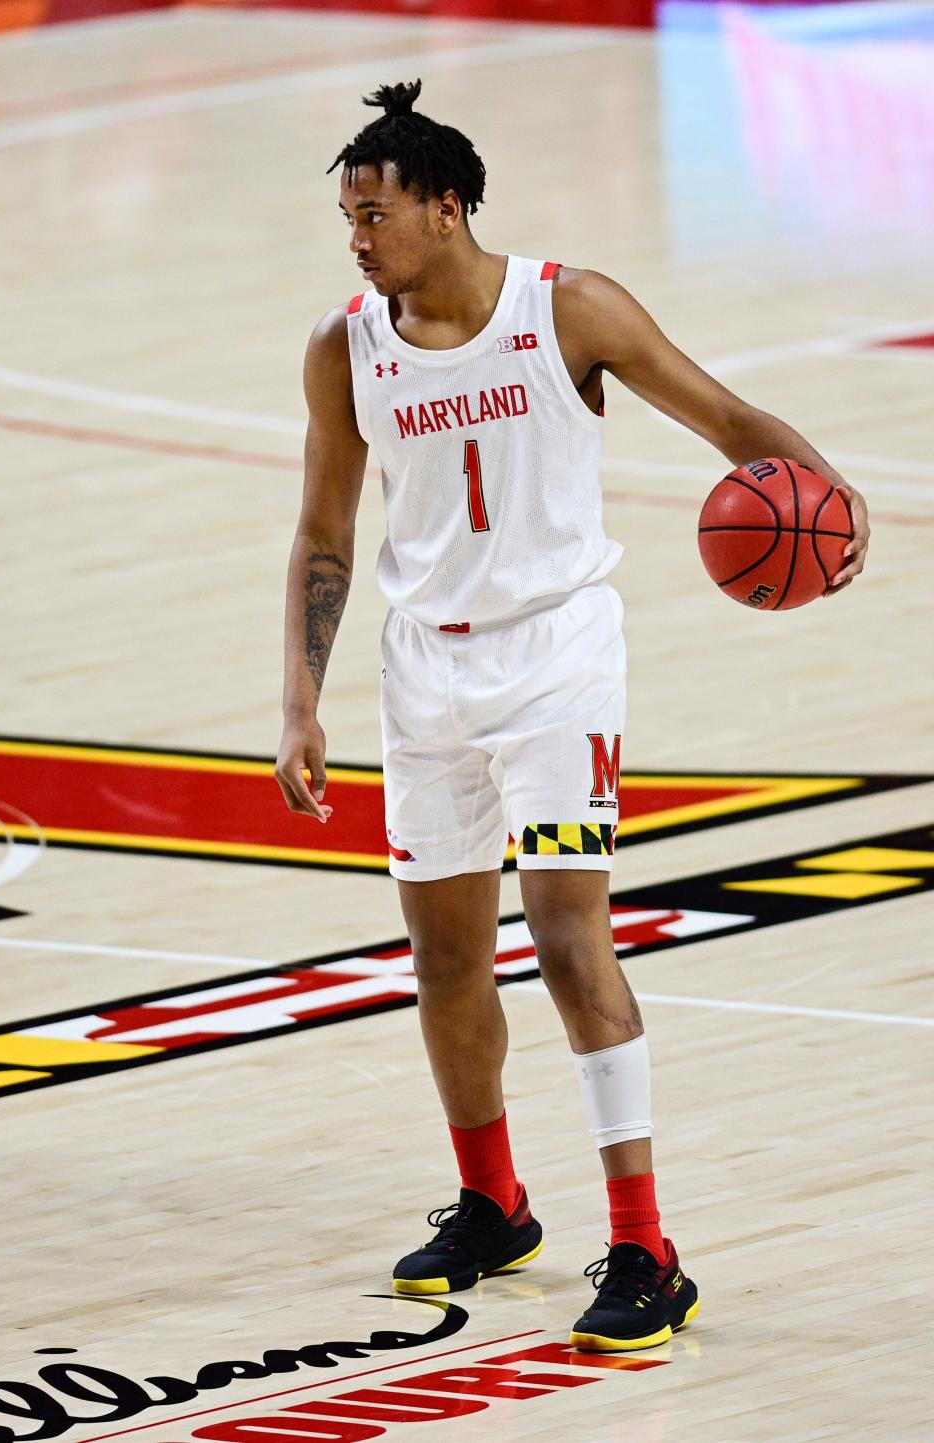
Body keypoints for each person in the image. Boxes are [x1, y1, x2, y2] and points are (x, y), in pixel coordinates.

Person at [274, 80, 869, 1352]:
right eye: (347, 218)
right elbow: (325, 532)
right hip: (420, 674)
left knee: (564, 939)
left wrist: (828, 494)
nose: (358, 238)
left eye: (374, 214)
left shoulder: (569, 308)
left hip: (556, 665)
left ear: (446, 207)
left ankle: (648, 1243)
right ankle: (496, 1203)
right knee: (442, 961)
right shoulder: (347, 347)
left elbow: (724, 419)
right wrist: (300, 704)